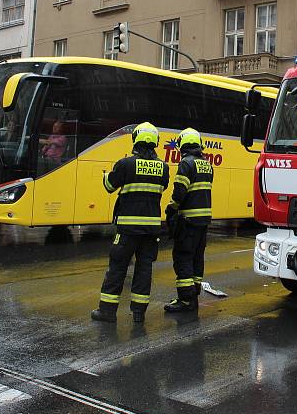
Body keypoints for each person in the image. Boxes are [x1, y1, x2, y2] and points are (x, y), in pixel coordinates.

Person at [91, 122, 169, 324]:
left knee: (117, 268)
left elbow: (109, 186)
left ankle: (107, 312)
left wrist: (105, 175)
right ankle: (138, 314)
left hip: (127, 229)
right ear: (155, 142)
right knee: (144, 270)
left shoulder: (125, 164)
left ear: (136, 139)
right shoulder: (164, 168)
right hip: (151, 230)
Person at [164, 128, 213, 313]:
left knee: (183, 258)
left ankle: (186, 300)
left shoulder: (186, 163)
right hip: (203, 221)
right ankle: (194, 296)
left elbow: (179, 191)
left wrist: (171, 208)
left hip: (189, 221)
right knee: (197, 258)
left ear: (182, 145)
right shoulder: (207, 164)